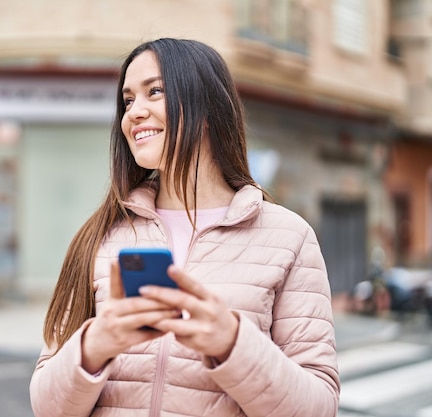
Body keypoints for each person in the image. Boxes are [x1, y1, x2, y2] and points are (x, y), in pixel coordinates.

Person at [30, 38, 340, 417]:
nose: (134, 113)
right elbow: (46, 408)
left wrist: (232, 343)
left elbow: (319, 408)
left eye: (154, 92)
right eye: (128, 101)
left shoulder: (289, 238)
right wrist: (94, 346)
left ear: (208, 108)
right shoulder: (99, 236)